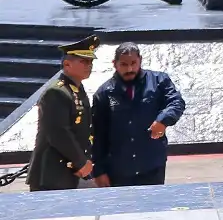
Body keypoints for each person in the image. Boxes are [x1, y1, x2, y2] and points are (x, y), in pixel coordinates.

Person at [89, 43, 184, 187]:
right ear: (114, 64)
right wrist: (99, 171)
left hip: (151, 166)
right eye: (124, 64)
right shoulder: (104, 93)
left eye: (133, 63)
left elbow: (176, 102)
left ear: (140, 60)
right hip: (119, 170)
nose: (130, 69)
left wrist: (163, 120)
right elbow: (98, 135)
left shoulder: (159, 81)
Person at [29, 36, 97, 192]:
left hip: (70, 171)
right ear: (67, 64)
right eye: (83, 61)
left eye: (90, 62)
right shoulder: (56, 92)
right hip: (52, 174)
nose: (89, 66)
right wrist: (81, 162)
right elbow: (58, 133)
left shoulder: (77, 90)